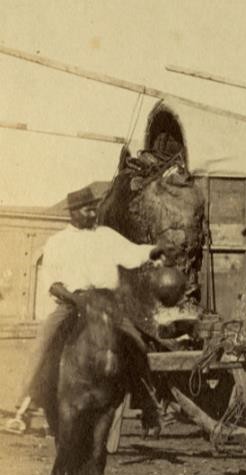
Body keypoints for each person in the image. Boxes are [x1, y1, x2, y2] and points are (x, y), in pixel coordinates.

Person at [6, 186, 159, 435]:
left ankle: (147, 404)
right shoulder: (57, 243)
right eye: (88, 210)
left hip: (107, 301)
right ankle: (24, 405)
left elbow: (133, 253)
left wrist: (154, 251)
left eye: (94, 208)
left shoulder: (106, 235)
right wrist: (76, 302)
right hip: (72, 301)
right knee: (44, 341)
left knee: (136, 342)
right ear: (74, 213)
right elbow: (53, 284)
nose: (93, 214)